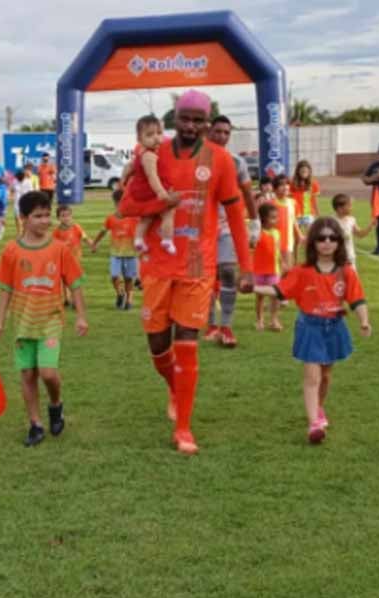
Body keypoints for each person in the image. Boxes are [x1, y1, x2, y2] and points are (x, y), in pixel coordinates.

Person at [118, 89, 253, 455]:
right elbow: (127, 203)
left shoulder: (220, 160)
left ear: (207, 124)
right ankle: (175, 388)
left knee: (187, 346)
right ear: (174, 120)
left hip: (197, 264)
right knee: (158, 347)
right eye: (186, 119)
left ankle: (184, 429)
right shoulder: (152, 153)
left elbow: (236, 216)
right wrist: (161, 201)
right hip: (157, 265)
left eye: (199, 120)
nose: (192, 126)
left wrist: (247, 267)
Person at [254, 217, 371, 444]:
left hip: (334, 327)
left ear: (339, 241)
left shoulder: (346, 272)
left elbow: (357, 299)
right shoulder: (302, 271)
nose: (327, 242)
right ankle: (313, 425)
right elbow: (279, 290)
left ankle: (319, 408)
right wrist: (253, 287)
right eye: (321, 238)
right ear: (313, 243)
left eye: (332, 238)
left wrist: (364, 321)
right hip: (310, 327)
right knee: (311, 376)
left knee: (325, 375)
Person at [0, 191, 88, 447]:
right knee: (27, 373)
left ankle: (56, 404)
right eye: (38, 216)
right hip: (22, 323)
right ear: (23, 218)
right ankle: (35, 424)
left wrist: (81, 316)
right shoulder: (11, 250)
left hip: (50, 321)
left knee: (47, 373)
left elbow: (75, 284)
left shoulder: (59, 249)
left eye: (47, 215)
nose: (45, 221)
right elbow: (5, 288)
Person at [203, 115, 259, 347]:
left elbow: (247, 194)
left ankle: (226, 327)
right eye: (218, 131)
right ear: (209, 132)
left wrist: (255, 222)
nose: (222, 136)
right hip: (200, 230)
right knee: (204, 279)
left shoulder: (237, 162)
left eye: (226, 132)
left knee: (227, 272)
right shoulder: (198, 159)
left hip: (227, 228)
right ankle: (210, 324)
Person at [130, 115, 179, 255]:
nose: (156, 138)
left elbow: (130, 167)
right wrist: (161, 192)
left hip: (142, 193)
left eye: (159, 133)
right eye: (150, 135)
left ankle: (138, 240)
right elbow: (153, 176)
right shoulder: (149, 156)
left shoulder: (142, 153)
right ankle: (167, 240)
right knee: (168, 213)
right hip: (151, 192)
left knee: (147, 217)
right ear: (140, 139)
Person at [91, 188, 138, 309]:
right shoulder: (111, 219)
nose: (120, 206)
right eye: (118, 203)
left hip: (131, 254)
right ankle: (120, 294)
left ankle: (129, 300)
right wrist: (95, 243)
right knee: (114, 276)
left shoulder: (134, 218)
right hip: (115, 254)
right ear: (115, 203)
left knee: (129, 278)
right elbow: (102, 232)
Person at [253, 203, 282, 331]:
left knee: (275, 297)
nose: (276, 220)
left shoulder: (277, 233)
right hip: (259, 271)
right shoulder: (258, 233)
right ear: (263, 218)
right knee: (260, 297)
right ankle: (260, 321)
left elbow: (278, 251)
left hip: (273, 271)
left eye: (276, 217)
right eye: (273, 217)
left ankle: (274, 320)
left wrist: (284, 263)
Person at [52, 204, 88, 306]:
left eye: (68, 215)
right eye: (63, 215)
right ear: (58, 218)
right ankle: (66, 298)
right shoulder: (57, 231)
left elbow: (84, 237)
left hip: (75, 259)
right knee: (65, 280)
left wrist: (92, 245)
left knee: (75, 280)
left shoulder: (76, 227)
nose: (66, 218)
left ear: (71, 216)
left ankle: (74, 300)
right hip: (63, 260)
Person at [331, 193, 376, 271]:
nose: (351, 208)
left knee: (351, 279)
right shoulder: (331, 221)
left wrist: (370, 226)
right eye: (349, 206)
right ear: (340, 208)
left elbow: (360, 234)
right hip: (335, 257)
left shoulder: (351, 220)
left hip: (349, 256)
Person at [273, 175, 302, 269]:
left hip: (288, 240)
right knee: (275, 268)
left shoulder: (292, 202)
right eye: (281, 185)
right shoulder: (270, 203)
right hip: (273, 241)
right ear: (275, 189)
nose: (285, 187)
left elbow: (293, 219)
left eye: (287, 184)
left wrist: (299, 234)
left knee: (287, 268)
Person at [290, 160, 321, 238]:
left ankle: (309, 249)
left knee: (311, 235)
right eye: (302, 171)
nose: (304, 172)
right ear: (298, 171)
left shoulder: (313, 184)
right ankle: (295, 250)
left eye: (306, 171)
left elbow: (314, 200)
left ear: (309, 171)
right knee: (296, 238)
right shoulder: (292, 184)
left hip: (308, 213)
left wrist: (317, 213)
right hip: (295, 214)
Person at [12, 168, 33, 234]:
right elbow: (12, 189)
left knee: (25, 218)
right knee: (17, 217)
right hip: (17, 202)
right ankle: (19, 232)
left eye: (20, 178)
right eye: (18, 178)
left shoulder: (28, 182)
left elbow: (31, 193)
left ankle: (25, 231)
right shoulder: (15, 181)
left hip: (26, 202)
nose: (19, 180)